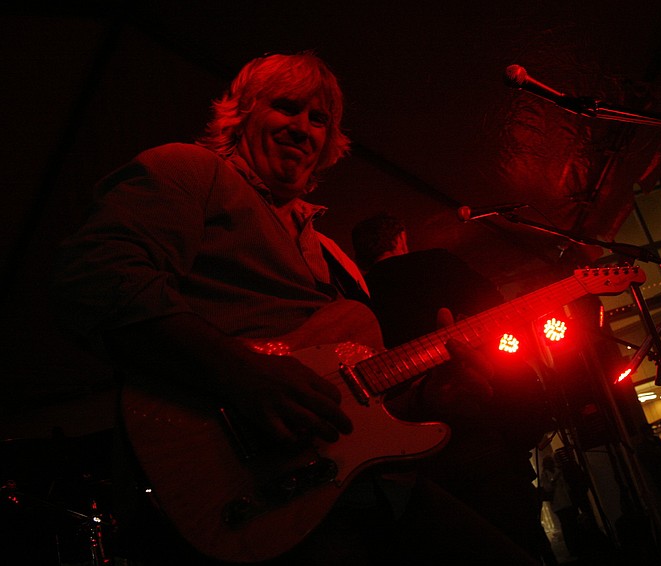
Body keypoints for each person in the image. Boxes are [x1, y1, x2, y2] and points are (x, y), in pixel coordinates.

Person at [52, 52, 540, 565]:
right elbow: (94, 279)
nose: (303, 128)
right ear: (242, 113)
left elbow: (348, 397)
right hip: (255, 490)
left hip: (361, 484)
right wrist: (243, 373)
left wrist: (427, 396)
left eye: (319, 119)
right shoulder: (189, 169)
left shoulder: (332, 255)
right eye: (286, 107)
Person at [351, 212, 558, 565]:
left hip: (407, 452)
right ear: (400, 239)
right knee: (516, 541)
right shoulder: (436, 264)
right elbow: (495, 310)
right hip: (477, 423)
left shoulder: (356, 296)